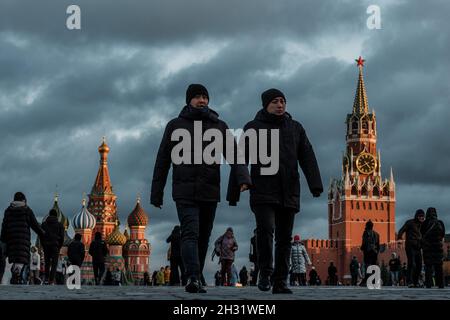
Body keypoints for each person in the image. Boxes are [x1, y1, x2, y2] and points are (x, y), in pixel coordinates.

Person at [150, 84, 251, 293]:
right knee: (190, 233)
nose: (202, 100)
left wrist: (243, 178)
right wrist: (156, 192)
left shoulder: (219, 126)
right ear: (189, 100)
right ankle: (193, 277)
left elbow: (234, 155)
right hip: (184, 191)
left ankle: (197, 274)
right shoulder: (175, 125)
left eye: (205, 97)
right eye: (197, 97)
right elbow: (162, 160)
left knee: (204, 236)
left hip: (209, 191)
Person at [228, 88, 323, 294]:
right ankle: (265, 272)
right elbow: (240, 157)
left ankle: (280, 281)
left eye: (282, 101)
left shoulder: (295, 128)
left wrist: (315, 184)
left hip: (289, 190)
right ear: (265, 105)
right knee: (265, 232)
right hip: (262, 190)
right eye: (275, 102)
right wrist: (242, 182)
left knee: (284, 238)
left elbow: (307, 156)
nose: (280, 105)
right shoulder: (253, 128)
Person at [0, 192, 45, 284]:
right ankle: (17, 273)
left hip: (11, 240)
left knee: (15, 258)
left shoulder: (8, 210)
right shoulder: (27, 210)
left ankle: (16, 273)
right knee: (20, 258)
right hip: (23, 240)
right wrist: (43, 233)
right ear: (24, 200)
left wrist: (3, 239)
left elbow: (4, 226)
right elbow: (35, 225)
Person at [397, 209, 425, 287]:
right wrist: (399, 238)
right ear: (417, 216)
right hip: (410, 246)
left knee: (419, 265)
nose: (421, 218)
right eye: (420, 216)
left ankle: (415, 282)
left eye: (423, 216)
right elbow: (401, 230)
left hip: (418, 247)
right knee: (411, 263)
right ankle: (410, 282)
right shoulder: (410, 222)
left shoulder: (423, 225)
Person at [421, 207, 445, 288]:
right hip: (438, 248)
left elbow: (422, 234)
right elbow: (443, 234)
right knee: (439, 267)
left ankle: (428, 284)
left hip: (428, 248)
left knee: (428, 266)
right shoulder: (440, 222)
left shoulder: (425, 223)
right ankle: (441, 284)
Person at [41, 208, 65, 285]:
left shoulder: (44, 224)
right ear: (56, 216)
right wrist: (59, 246)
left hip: (46, 246)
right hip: (55, 246)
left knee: (47, 263)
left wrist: (43, 245)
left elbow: (41, 236)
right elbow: (62, 237)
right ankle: (51, 280)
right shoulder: (60, 225)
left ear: (49, 214)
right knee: (54, 264)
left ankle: (46, 278)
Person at [360, 220, 380, 285]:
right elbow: (378, 244)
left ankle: (366, 280)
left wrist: (362, 248)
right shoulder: (377, 234)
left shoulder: (365, 232)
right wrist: (377, 251)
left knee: (367, 265)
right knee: (374, 266)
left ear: (367, 226)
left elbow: (364, 241)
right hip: (375, 252)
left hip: (368, 251)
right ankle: (374, 280)